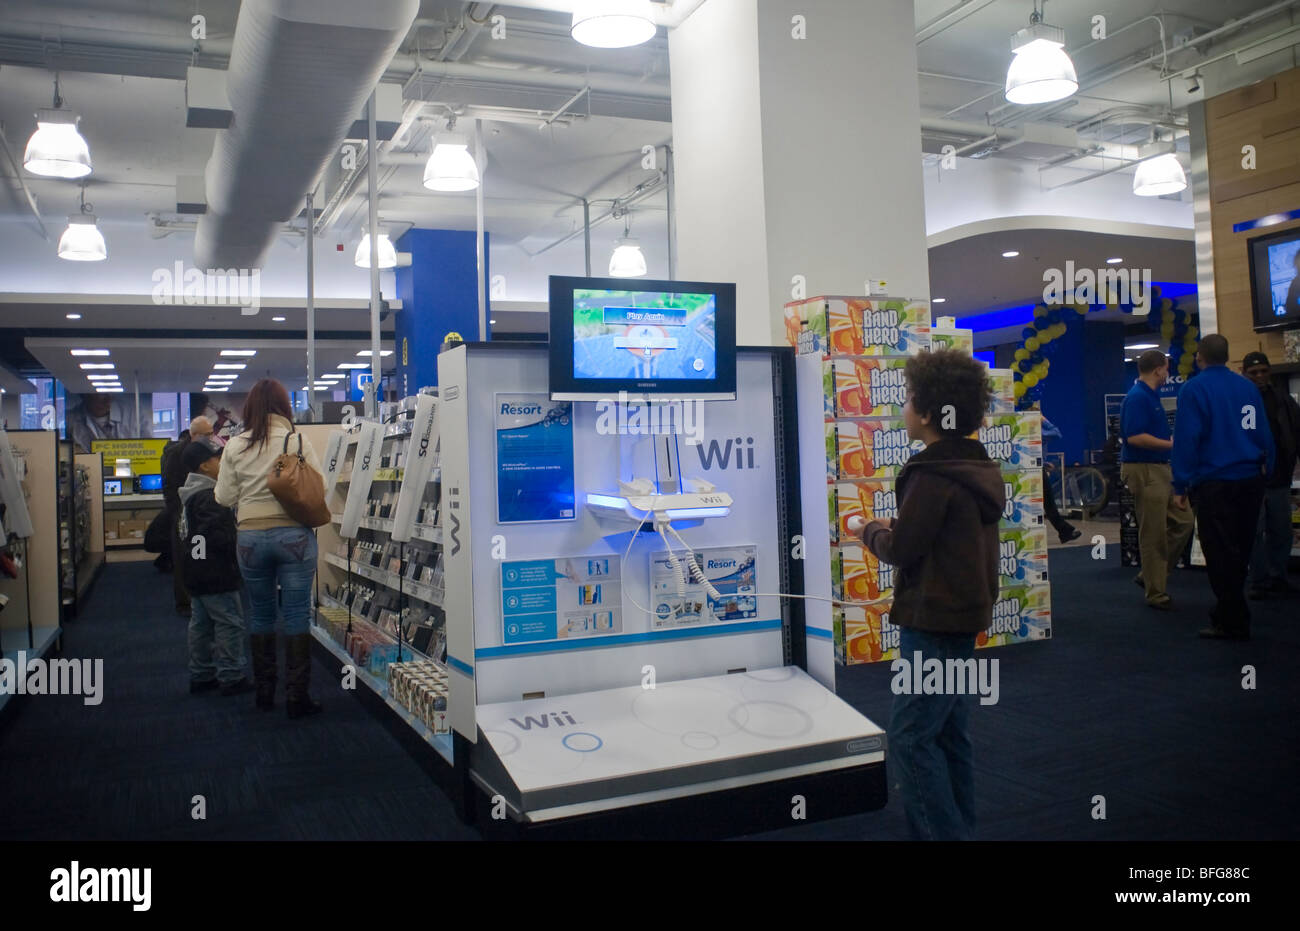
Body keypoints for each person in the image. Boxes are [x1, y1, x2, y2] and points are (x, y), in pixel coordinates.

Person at [846, 349, 1004, 841]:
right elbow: (945, 536)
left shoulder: (930, 474)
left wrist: (865, 528)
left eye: (910, 399)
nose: (904, 407)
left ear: (930, 412)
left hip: (932, 620)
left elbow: (904, 548)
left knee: (911, 739)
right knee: (951, 735)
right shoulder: (973, 467)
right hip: (963, 615)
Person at [214, 379, 324, 717]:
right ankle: (296, 697)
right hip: (293, 537)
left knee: (260, 613)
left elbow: (224, 497)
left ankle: (264, 692)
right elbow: (318, 488)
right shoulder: (298, 440)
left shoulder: (234, 445)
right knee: (295, 613)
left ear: (249, 409)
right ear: (284, 407)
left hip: (249, 538)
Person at [1172, 335, 1275, 640]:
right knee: (1242, 548)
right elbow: (1260, 431)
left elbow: (1188, 439)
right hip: (1249, 479)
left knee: (1219, 552)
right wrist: (1268, 466)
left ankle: (1231, 617)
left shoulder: (1194, 389)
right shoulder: (1246, 387)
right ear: (1229, 357)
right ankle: (1232, 611)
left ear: (1200, 356)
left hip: (1214, 482)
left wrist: (1180, 483)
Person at [1120, 350, 1196, 611]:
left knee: (1184, 522)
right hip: (1144, 469)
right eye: (1166, 369)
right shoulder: (1138, 397)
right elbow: (1134, 437)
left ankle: (1150, 575)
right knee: (1152, 534)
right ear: (1159, 370)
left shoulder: (1149, 396)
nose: (1168, 374)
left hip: (1159, 467)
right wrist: (1170, 445)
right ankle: (1156, 592)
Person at [178, 436, 250, 695]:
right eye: (216, 458)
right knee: (229, 622)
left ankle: (201, 673)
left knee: (201, 624)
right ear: (203, 466)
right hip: (216, 572)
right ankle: (231, 676)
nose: (221, 462)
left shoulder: (190, 495)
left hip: (196, 571)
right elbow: (217, 536)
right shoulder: (210, 497)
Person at [1242, 351, 1300, 598]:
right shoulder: (1241, 402)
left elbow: (1296, 432)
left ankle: (1278, 575)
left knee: (1282, 531)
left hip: (1280, 477)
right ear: (1245, 374)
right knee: (1255, 531)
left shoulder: (1283, 400)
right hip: (1252, 477)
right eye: (1254, 372)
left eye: (1264, 371)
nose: (1260, 376)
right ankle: (1259, 579)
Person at [162, 418, 215, 614]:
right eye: (207, 434)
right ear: (194, 435)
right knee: (183, 558)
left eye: (211, 433)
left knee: (200, 556)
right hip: (182, 513)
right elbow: (169, 487)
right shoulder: (176, 454)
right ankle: (184, 603)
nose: (211, 437)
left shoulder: (208, 452)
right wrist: (178, 514)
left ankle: (202, 598)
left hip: (204, 512)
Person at [1038, 415, 1080, 543]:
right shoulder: (1039, 432)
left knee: (1048, 503)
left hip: (1038, 466)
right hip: (1037, 469)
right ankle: (1064, 531)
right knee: (1049, 503)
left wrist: (1044, 463)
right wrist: (1044, 420)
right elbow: (1056, 433)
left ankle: (1064, 531)